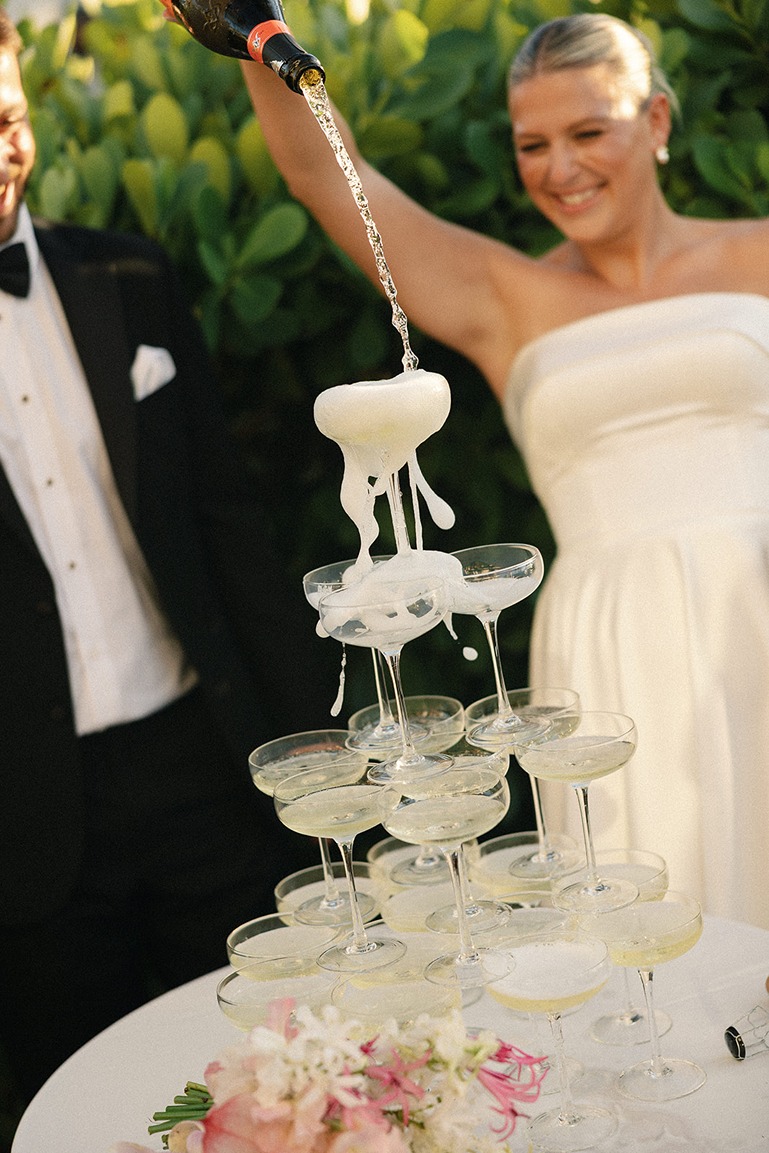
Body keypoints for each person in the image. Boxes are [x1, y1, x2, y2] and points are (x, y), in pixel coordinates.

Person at [203, 10, 769, 928]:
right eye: (532, 144)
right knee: (643, 919)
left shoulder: (758, 254)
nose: (560, 168)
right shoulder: (507, 295)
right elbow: (320, 173)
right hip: (611, 640)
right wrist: (253, 29)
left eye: (590, 132)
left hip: (762, 602)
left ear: (658, 121)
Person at [0, 11, 327, 1114]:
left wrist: (308, 746)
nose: (0, 148)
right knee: (82, 1114)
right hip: (28, 821)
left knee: (281, 1078)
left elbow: (227, 516)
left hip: (204, 765)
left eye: (6, 117)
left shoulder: (131, 275)